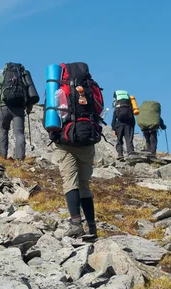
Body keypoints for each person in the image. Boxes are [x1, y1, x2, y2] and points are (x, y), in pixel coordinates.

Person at [44, 62, 103, 239]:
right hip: (87, 140)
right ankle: (92, 226)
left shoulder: (59, 86)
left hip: (65, 141)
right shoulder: (91, 87)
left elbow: (52, 113)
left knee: (70, 181)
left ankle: (76, 224)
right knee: (84, 184)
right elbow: (98, 109)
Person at [0, 89, 32, 160]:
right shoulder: (23, 79)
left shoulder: (3, 77)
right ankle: (20, 158)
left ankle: (3, 156)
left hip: (4, 108)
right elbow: (28, 94)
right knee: (19, 133)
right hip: (19, 109)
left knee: (3, 131)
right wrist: (29, 109)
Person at [111, 91, 136, 160]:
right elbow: (133, 119)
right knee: (129, 140)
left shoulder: (117, 108)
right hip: (128, 125)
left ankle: (120, 154)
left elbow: (114, 120)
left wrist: (114, 129)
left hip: (119, 125)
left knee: (119, 140)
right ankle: (131, 152)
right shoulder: (129, 107)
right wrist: (132, 126)